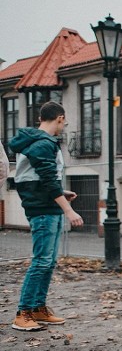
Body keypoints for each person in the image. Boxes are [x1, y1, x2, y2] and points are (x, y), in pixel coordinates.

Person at [9, 101, 84, 331]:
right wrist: (68, 209)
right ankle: (23, 313)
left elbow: (39, 180)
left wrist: (61, 193)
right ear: (59, 118)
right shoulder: (42, 144)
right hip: (42, 211)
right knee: (41, 261)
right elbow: (48, 181)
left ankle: (38, 308)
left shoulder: (36, 143)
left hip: (45, 207)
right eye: (65, 121)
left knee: (48, 262)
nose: (64, 126)